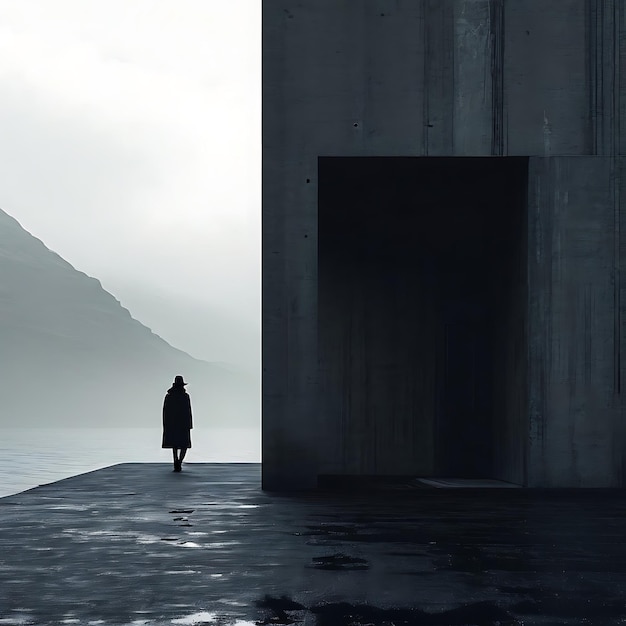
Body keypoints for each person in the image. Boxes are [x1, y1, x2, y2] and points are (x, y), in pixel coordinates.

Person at [162, 375, 193, 472]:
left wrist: (166, 424)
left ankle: (176, 460)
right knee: (184, 445)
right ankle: (179, 461)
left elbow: (165, 412)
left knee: (175, 444)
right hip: (183, 424)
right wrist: (189, 425)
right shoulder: (185, 396)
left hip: (172, 424)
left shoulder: (169, 396)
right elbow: (188, 412)